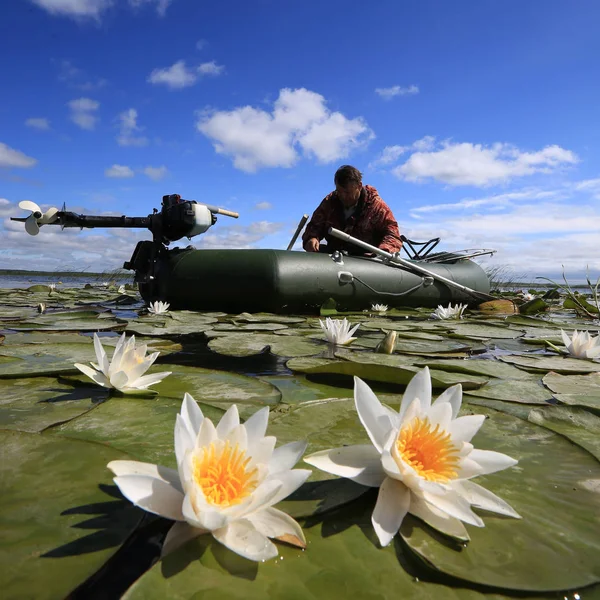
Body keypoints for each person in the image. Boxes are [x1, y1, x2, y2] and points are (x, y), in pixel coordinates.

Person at [302, 165, 402, 256]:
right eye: (339, 191)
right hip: (335, 257)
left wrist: (381, 253)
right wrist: (311, 238)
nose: (343, 196)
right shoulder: (330, 202)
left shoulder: (377, 206)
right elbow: (314, 225)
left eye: (347, 192)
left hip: (366, 260)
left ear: (359, 186)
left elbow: (393, 234)